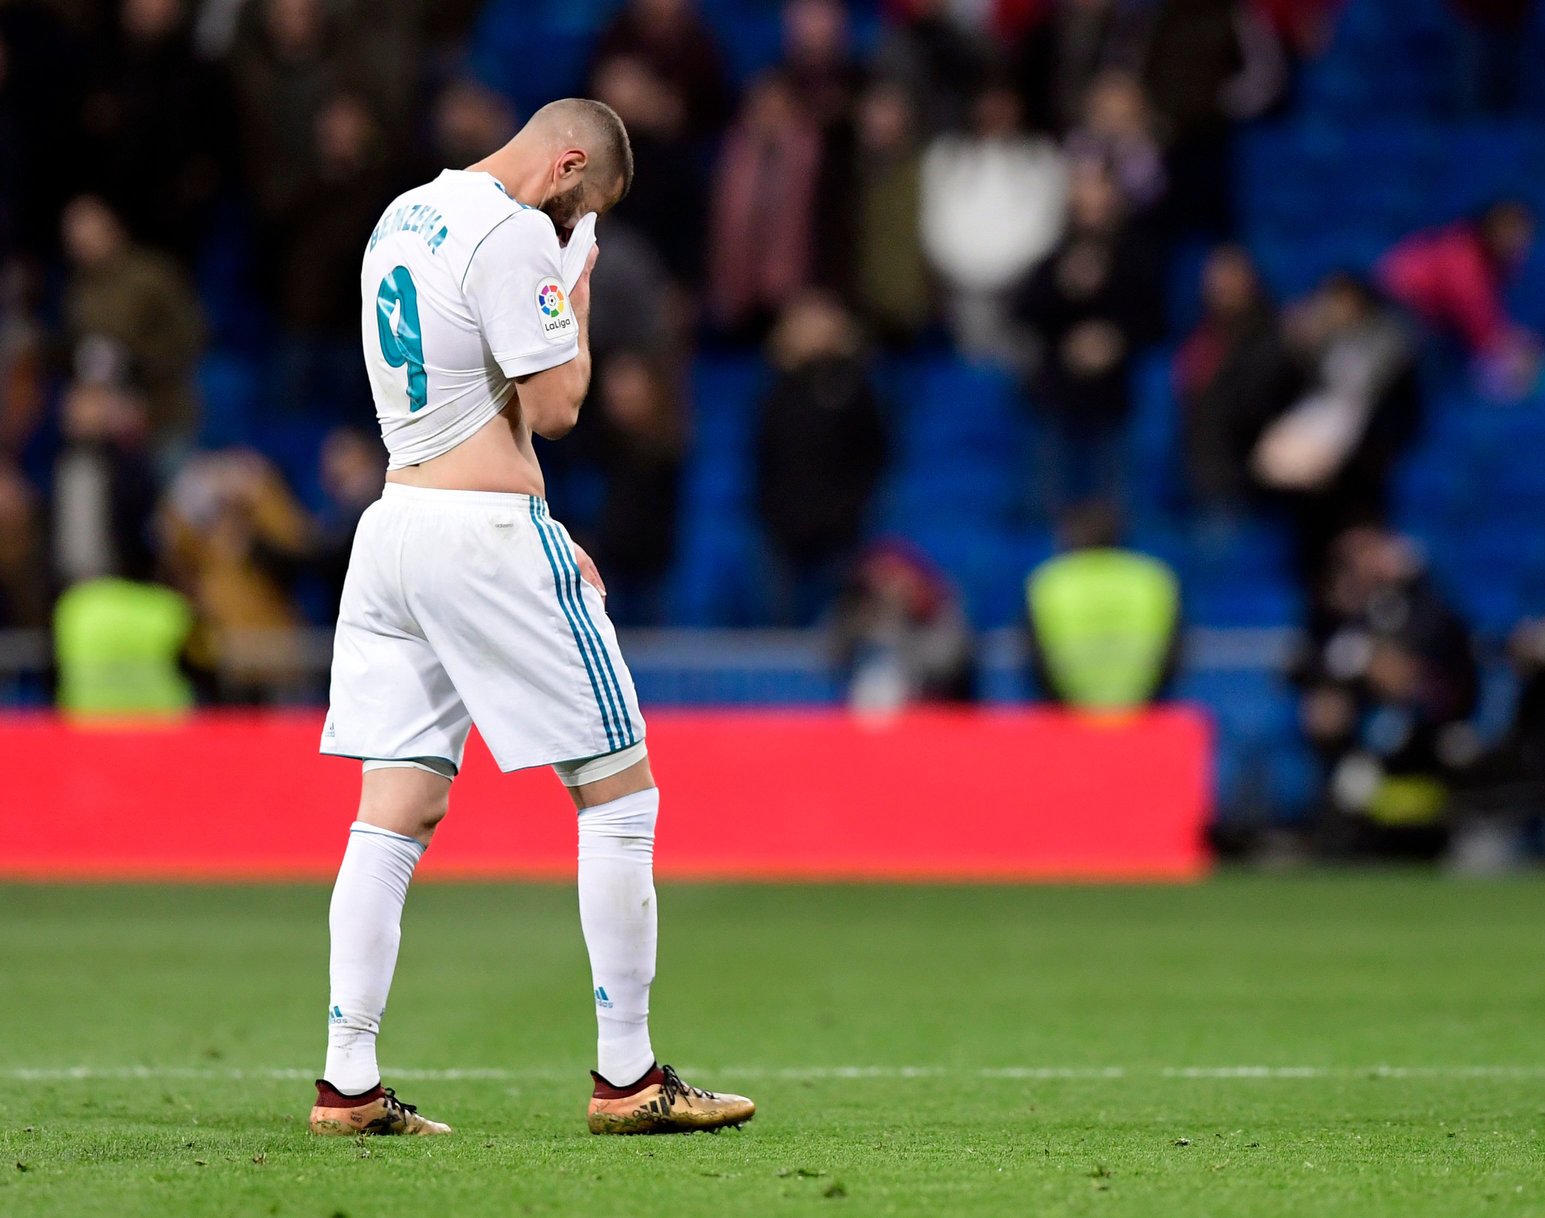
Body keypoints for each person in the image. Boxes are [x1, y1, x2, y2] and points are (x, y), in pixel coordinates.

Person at [312, 99, 753, 1138]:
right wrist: (576, 296)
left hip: (398, 529)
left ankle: (346, 1080)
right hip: (481, 540)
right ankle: (629, 1076)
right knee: (619, 789)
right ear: (564, 165)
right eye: (581, 206)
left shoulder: (403, 214)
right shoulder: (513, 234)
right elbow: (555, 407)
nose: (570, 226)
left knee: (394, 813)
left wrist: (531, 513)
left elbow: (467, 394)